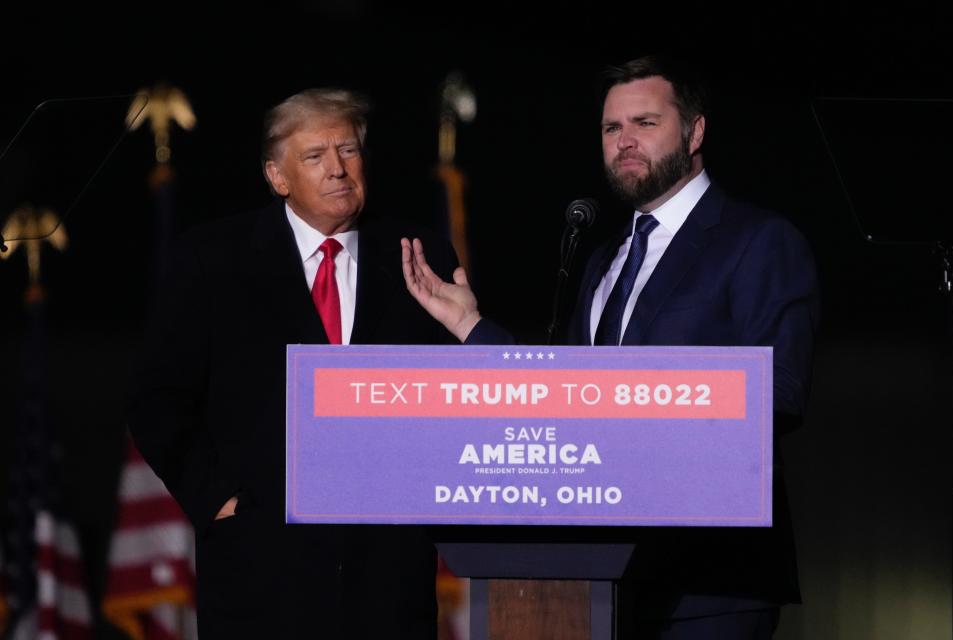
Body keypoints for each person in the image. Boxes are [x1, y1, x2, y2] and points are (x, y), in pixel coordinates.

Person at [402, 55, 818, 638]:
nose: (625, 141)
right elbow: (569, 396)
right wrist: (474, 327)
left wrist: (644, 411)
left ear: (695, 132)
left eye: (645, 123)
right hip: (601, 580)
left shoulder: (758, 241)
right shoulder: (603, 259)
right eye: (611, 128)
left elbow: (778, 393)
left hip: (711, 584)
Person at [128, 88, 458, 638]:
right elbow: (156, 401)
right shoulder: (212, 260)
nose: (337, 169)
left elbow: (457, 398)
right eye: (315, 156)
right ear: (276, 176)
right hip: (259, 576)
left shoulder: (419, 255)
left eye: (348, 151)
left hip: (388, 580)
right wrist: (220, 503)